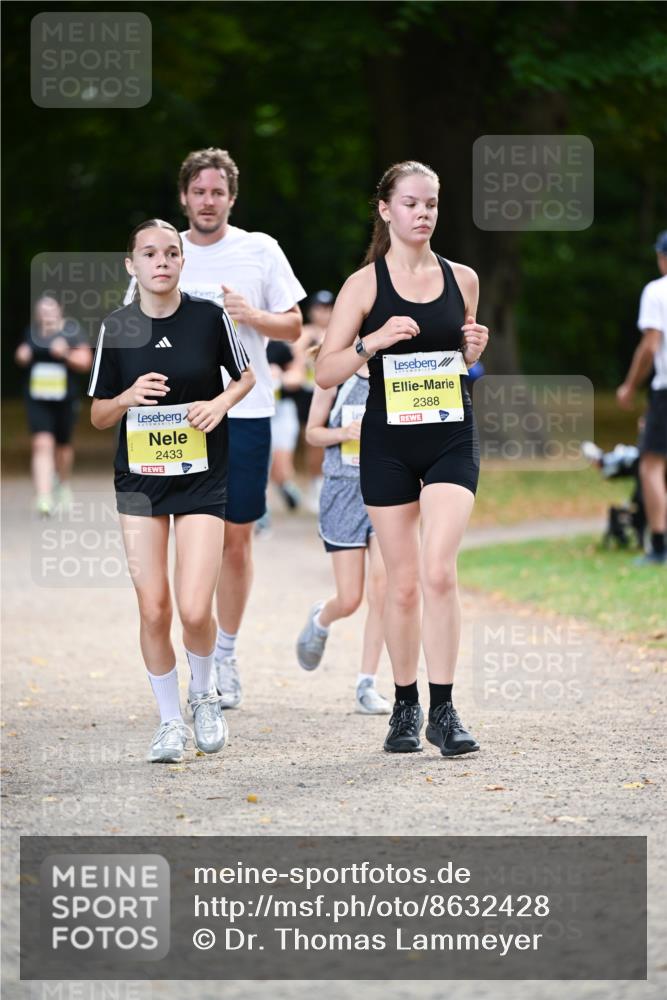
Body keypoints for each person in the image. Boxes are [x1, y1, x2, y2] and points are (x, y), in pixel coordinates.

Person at [315, 160, 489, 756]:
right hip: (387, 443)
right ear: (386, 210)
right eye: (411, 203)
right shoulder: (364, 286)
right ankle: (405, 704)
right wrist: (374, 341)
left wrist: (473, 351)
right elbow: (326, 370)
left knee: (439, 570)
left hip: (449, 436)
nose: (423, 213)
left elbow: (461, 360)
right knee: (404, 584)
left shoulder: (463, 278)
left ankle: (444, 709)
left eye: (431, 204)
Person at [125, 148, 306, 709]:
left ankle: (223, 651)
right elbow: (130, 331)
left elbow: (295, 326)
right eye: (199, 192)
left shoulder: (259, 249)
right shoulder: (163, 250)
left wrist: (252, 316)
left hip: (245, 413)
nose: (208, 201)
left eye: (218, 192)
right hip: (172, 419)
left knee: (236, 541)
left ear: (232, 197)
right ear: (184, 197)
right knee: (183, 536)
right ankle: (193, 648)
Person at [90, 219, 254, 763]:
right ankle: (168, 723)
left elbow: (246, 377)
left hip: (202, 477)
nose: (161, 261)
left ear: (182, 261)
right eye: (149, 254)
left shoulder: (209, 317)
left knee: (193, 608)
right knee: (154, 608)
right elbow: (97, 414)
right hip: (140, 484)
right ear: (131, 265)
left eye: (170, 253)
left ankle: (203, 693)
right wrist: (126, 397)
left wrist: (219, 404)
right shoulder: (116, 327)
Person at [296, 362, 391, 714]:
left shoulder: (394, 370)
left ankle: (367, 683)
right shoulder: (335, 375)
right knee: (350, 599)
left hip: (387, 488)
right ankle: (322, 618)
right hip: (343, 490)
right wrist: (344, 432)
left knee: (382, 589)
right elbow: (312, 433)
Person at [15, 296, 92, 516]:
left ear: (60, 310)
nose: (46, 314)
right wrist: (22, 356)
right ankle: (44, 496)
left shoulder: (71, 331)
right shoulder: (32, 332)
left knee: (63, 447)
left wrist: (66, 353)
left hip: (65, 399)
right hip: (38, 398)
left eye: (50, 309)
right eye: (42, 310)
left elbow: (86, 361)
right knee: (41, 443)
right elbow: (21, 356)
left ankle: (63, 484)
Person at [617, 229, 667, 566]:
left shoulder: (657, 291)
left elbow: (650, 346)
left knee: (651, 464)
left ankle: (660, 545)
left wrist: (630, 386)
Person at [287, 290, 335, 511]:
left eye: (328, 309)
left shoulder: (340, 331)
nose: (323, 313)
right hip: (308, 392)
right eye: (319, 309)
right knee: (312, 440)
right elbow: (296, 360)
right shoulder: (305, 334)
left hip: (334, 389)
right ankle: (316, 485)